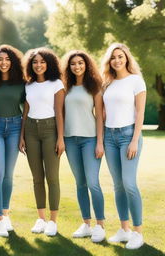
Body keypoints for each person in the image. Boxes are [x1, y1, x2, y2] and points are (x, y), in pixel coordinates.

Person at [101, 43, 146, 249]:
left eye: (120, 56)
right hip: (109, 137)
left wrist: (135, 139)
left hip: (128, 135)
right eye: (113, 57)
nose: (117, 60)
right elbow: (102, 113)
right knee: (117, 185)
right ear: (109, 61)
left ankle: (138, 232)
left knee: (129, 183)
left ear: (126, 58)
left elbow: (140, 113)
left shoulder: (136, 81)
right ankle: (123, 229)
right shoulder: (107, 83)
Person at [19, 47, 65, 237]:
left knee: (52, 177)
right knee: (37, 178)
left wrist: (61, 138)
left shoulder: (56, 84)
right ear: (31, 65)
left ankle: (53, 221)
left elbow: (60, 113)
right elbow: (26, 112)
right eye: (35, 62)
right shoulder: (28, 85)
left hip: (50, 130)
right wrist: (21, 135)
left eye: (42, 62)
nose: (38, 65)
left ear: (49, 63)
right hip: (30, 130)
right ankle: (41, 218)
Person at [62, 50, 105, 242]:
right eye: (73, 64)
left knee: (93, 183)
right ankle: (86, 224)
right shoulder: (65, 87)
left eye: (80, 63)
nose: (77, 66)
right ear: (69, 67)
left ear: (86, 65)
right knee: (80, 183)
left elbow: (100, 118)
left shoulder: (94, 86)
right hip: (70, 140)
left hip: (90, 140)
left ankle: (100, 226)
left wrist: (99, 142)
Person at [0, 45, 25, 237]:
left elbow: (27, 107)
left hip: (15, 127)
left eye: (7, 59)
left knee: (8, 175)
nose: (4, 63)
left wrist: (22, 135)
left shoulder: (21, 83)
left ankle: (6, 212)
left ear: (13, 61)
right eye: (0, 59)